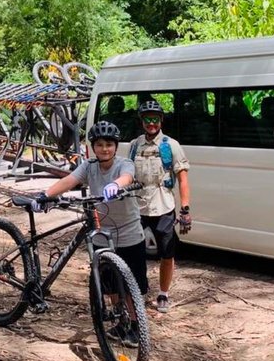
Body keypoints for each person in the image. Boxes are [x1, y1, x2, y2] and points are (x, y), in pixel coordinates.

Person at [32, 120, 148, 346]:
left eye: (109, 144)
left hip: (129, 231)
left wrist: (115, 186)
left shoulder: (124, 163)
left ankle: (135, 324)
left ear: (116, 146)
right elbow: (69, 180)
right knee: (110, 282)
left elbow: (127, 177)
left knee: (132, 284)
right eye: (100, 144)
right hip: (103, 231)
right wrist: (45, 194)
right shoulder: (89, 166)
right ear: (93, 147)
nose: (105, 149)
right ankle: (120, 319)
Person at [127, 99, 190, 313]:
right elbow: (128, 174)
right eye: (147, 120)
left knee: (166, 253)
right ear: (142, 121)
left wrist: (185, 209)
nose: (151, 124)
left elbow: (182, 178)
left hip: (163, 206)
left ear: (161, 120)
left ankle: (163, 293)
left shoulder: (171, 145)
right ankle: (137, 290)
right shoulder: (135, 145)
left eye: (155, 119)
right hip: (138, 205)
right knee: (135, 252)